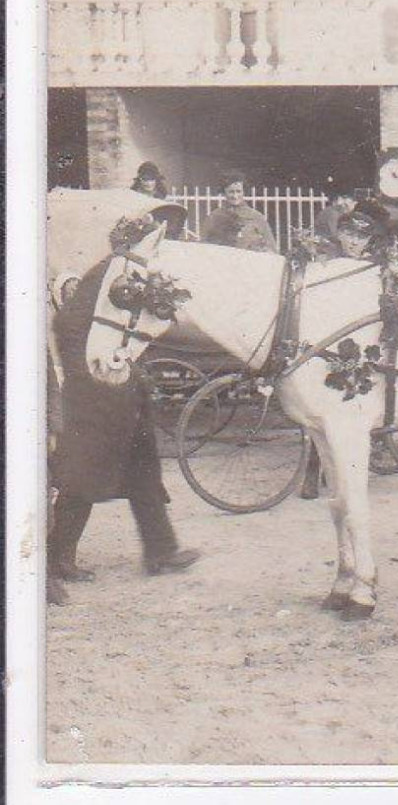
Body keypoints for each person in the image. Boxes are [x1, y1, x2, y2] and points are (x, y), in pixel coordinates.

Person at [47, 265, 202, 604]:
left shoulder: (104, 325)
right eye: (69, 291)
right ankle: (60, 558)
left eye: (81, 289)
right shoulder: (71, 327)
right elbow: (87, 373)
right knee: (79, 486)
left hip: (128, 412)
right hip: (91, 416)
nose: (77, 295)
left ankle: (161, 552)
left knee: (145, 480)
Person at [202, 179, 276, 252]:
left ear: (243, 192)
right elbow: (204, 244)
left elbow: (270, 246)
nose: (235, 196)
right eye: (231, 192)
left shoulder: (256, 216)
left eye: (238, 191)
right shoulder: (215, 216)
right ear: (224, 193)